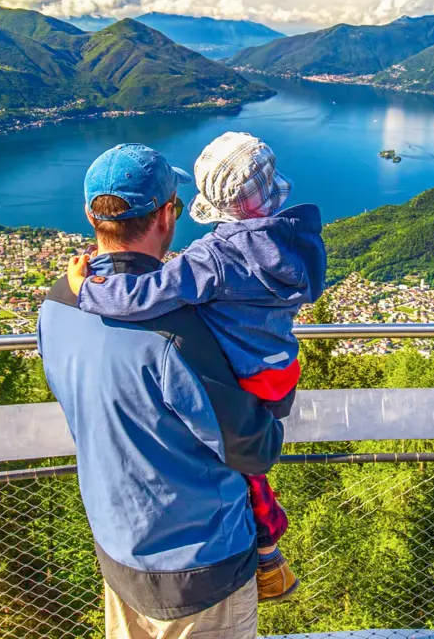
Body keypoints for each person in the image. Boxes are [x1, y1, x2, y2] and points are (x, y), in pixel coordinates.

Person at [65, 131, 323, 602]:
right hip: (278, 374)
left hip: (127, 541)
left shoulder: (55, 310)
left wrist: (88, 290)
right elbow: (252, 443)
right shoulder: (289, 245)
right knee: (250, 466)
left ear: (90, 216)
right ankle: (268, 553)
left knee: (248, 464)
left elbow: (151, 293)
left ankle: (268, 551)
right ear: (166, 214)